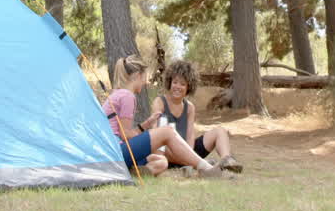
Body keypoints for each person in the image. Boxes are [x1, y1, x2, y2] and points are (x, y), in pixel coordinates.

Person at [101, 55, 229, 179]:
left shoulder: (119, 94)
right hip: (115, 151)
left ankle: (133, 172)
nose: (145, 82)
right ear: (137, 76)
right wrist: (152, 137)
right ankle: (206, 169)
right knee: (167, 131)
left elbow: (124, 132)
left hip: (113, 151)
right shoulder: (127, 96)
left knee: (162, 163)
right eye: (144, 78)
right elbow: (125, 135)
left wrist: (145, 126)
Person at [150, 60, 242, 173]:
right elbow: (155, 135)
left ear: (189, 87)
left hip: (188, 152)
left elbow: (190, 136)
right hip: (165, 153)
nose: (177, 87)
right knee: (162, 143)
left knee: (220, 131)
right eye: (175, 82)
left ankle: (227, 161)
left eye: (182, 84)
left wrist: (188, 155)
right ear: (170, 83)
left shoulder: (189, 107)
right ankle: (201, 165)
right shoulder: (160, 102)